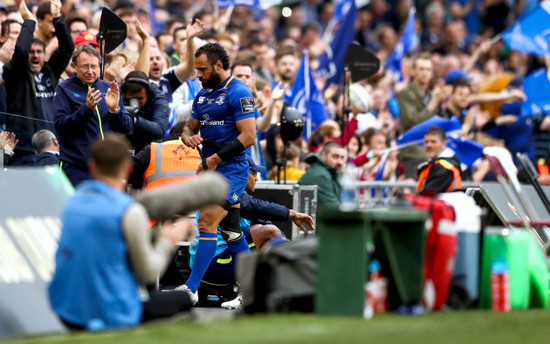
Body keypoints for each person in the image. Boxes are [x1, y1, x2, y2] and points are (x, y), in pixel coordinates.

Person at [48, 134, 194, 331]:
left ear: (92, 166)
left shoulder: (71, 202)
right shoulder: (128, 211)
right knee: (183, 299)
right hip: (112, 314)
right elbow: (149, 273)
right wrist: (167, 241)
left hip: (66, 311)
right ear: (127, 168)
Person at [178, 42, 257, 304]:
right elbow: (188, 128)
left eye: (202, 69)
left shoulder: (239, 92)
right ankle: (249, 291)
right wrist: (188, 137)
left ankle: (191, 289)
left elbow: (249, 137)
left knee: (206, 223)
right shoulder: (202, 96)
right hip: (211, 170)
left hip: (232, 170)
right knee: (231, 231)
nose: (197, 75)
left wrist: (213, 158)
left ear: (218, 65)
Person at [4, 0, 74, 166]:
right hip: (25, 150)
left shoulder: (51, 72)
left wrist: (58, 19)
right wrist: (29, 22)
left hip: (53, 148)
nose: (35, 55)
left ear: (44, 54)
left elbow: (67, 48)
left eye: (39, 52)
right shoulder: (16, 74)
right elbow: (20, 53)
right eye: (31, 52)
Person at [53, 44, 134, 187]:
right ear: (74, 66)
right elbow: (62, 127)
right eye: (85, 66)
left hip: (106, 168)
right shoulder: (64, 89)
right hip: (76, 167)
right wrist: (87, 109)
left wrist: (114, 110)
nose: (90, 71)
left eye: (94, 67)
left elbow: (127, 127)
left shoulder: (109, 88)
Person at [397, 53, 448, 178]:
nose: (425, 73)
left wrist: (441, 105)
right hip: (413, 154)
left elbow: (441, 125)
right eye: (421, 69)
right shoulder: (405, 94)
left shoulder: (432, 95)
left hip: (434, 154)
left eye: (428, 70)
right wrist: (434, 103)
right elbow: (412, 122)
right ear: (413, 71)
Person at [129, 121, 200, 189]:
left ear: (171, 135)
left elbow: (128, 171)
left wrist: (138, 183)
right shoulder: (203, 152)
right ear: (195, 136)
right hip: (194, 200)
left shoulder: (153, 149)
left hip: (156, 199)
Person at [121, 70, 170, 153]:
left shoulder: (159, 100)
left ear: (148, 93)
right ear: (125, 93)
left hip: (149, 150)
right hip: (123, 147)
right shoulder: (118, 95)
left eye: (140, 98)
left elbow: (159, 129)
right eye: (131, 98)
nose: (136, 103)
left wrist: (135, 120)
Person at [298, 141, 347, 209]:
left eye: (342, 158)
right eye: (335, 157)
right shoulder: (321, 175)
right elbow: (333, 209)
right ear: (323, 156)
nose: (340, 162)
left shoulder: (331, 171)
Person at [416, 126, 463, 195]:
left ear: (444, 144)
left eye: (433, 142)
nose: (428, 145)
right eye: (426, 142)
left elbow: (428, 194)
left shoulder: (445, 168)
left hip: (443, 204)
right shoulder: (436, 164)